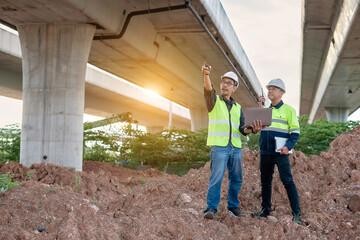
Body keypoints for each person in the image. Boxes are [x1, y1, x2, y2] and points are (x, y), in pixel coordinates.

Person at [202, 62, 262, 219]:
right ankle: (211, 208)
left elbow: (243, 129)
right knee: (216, 178)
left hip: (235, 148)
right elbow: (208, 89)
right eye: (223, 82)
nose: (225, 85)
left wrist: (254, 129)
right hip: (219, 147)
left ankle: (233, 207)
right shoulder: (214, 101)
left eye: (229, 83)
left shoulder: (238, 108)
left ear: (234, 87)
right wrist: (206, 75)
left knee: (236, 178)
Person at [251, 78, 302, 225]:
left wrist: (288, 147)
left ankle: (297, 214)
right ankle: (265, 211)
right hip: (265, 152)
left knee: (288, 182)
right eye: (269, 89)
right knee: (265, 182)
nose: (270, 91)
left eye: (273, 89)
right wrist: (259, 110)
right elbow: (256, 130)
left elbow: (295, 133)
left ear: (281, 93)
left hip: (281, 153)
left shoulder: (289, 111)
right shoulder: (265, 111)